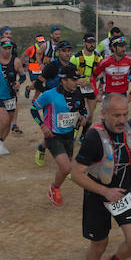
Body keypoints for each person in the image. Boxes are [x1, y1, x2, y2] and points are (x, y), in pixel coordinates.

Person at [71, 94, 131, 260]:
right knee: (99, 244)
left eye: (125, 115)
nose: (122, 120)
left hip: (122, 193)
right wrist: (105, 192)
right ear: (103, 114)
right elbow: (76, 174)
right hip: (98, 196)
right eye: (116, 115)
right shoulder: (93, 138)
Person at [31, 65, 88, 204]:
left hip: (69, 134)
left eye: (77, 79)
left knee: (66, 166)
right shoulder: (49, 94)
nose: (76, 82)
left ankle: (43, 150)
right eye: (73, 80)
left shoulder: (78, 93)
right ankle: (54, 189)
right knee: (66, 168)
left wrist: (84, 117)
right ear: (64, 80)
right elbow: (33, 109)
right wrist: (42, 125)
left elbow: (83, 110)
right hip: (53, 135)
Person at [0, 38, 26, 155]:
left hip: (11, 96)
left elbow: (23, 76)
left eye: (9, 48)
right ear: (0, 48)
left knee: (8, 123)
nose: (7, 50)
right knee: (4, 120)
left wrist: (19, 83)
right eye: (5, 48)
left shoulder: (16, 61)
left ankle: (0, 141)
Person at [92, 35, 131, 102]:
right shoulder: (104, 62)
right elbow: (92, 77)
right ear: (113, 47)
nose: (124, 49)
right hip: (108, 95)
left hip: (123, 95)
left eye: (124, 46)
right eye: (121, 46)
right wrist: (96, 94)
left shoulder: (130, 60)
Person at [74, 34, 103, 140]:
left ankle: (83, 135)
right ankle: (74, 133)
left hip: (92, 88)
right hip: (78, 88)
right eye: (89, 42)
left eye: (93, 42)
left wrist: (96, 79)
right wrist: (78, 80)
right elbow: (70, 73)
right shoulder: (76, 57)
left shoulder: (99, 58)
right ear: (84, 43)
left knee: (90, 116)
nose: (92, 45)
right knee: (83, 114)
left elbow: (102, 72)